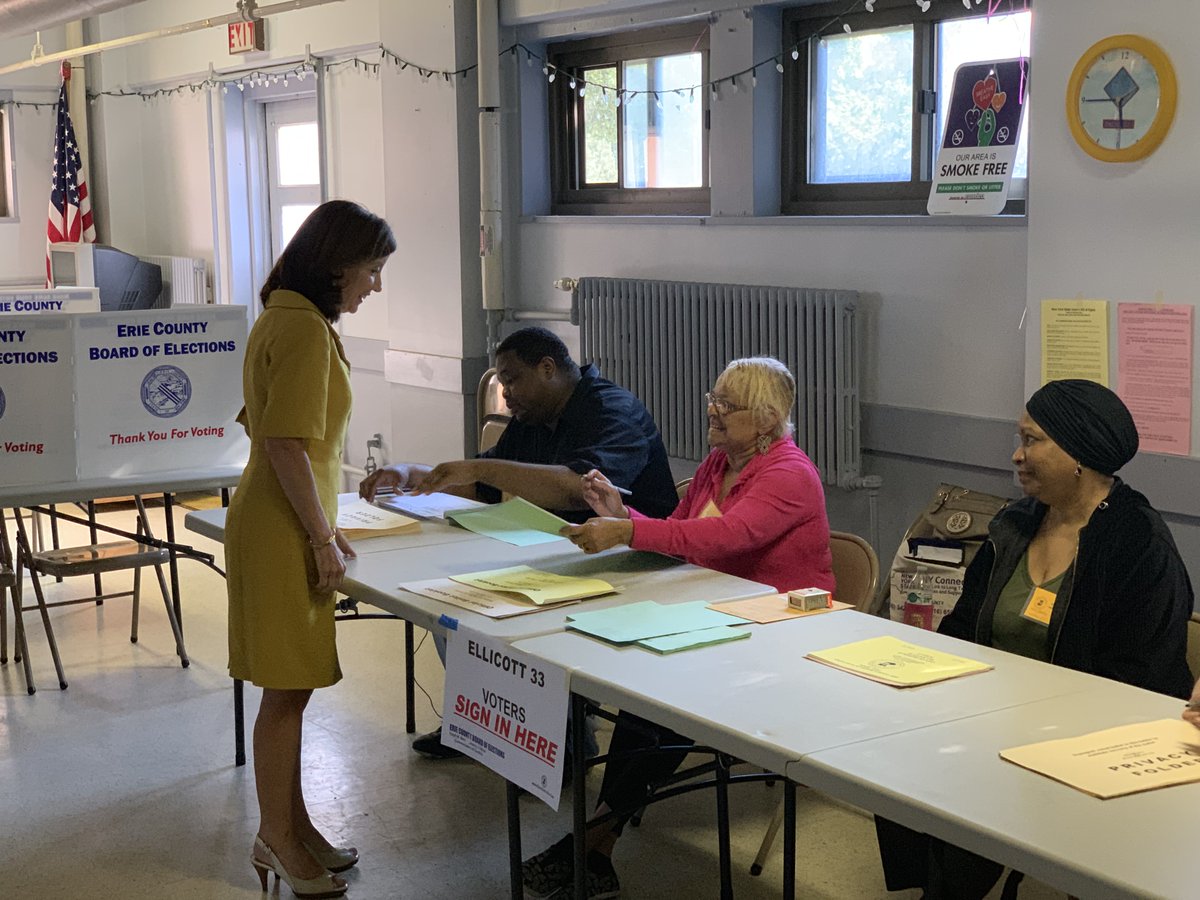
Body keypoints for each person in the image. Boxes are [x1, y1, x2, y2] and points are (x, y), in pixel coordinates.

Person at [523, 356, 836, 900]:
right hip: (716, 617)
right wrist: (623, 515)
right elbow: (680, 533)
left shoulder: (789, 474)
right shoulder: (718, 464)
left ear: (767, 418)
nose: (713, 411)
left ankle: (588, 844)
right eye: (713, 399)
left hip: (781, 637)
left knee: (669, 705)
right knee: (648, 696)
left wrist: (625, 532)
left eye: (728, 405)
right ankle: (596, 850)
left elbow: (725, 539)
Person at [876, 378, 1193, 900]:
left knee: (977, 784)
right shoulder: (1016, 523)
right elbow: (963, 629)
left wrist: (1031, 721)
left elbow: (1141, 678)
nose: (1017, 455)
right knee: (899, 740)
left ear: (1079, 454)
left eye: (1032, 440)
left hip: (1089, 736)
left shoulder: (1137, 542)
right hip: (998, 721)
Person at [359, 326, 678, 757]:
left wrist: (481, 470)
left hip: (634, 561)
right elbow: (483, 483)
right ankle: (477, 721)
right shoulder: (534, 417)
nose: (506, 394)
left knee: (490, 609)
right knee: (451, 603)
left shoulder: (613, 411)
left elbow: (578, 490)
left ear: (547, 368)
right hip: (563, 551)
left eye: (511, 380)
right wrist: (412, 473)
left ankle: (563, 743)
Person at [226, 200, 395, 898]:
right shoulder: (301, 329)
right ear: (338, 265)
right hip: (279, 529)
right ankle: (276, 837)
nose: (375, 285)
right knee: (286, 691)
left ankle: (295, 827)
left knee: (290, 688)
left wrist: (323, 518)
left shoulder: (286, 317)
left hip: (279, 517)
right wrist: (319, 533)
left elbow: (265, 425)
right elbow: (284, 442)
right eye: (372, 269)